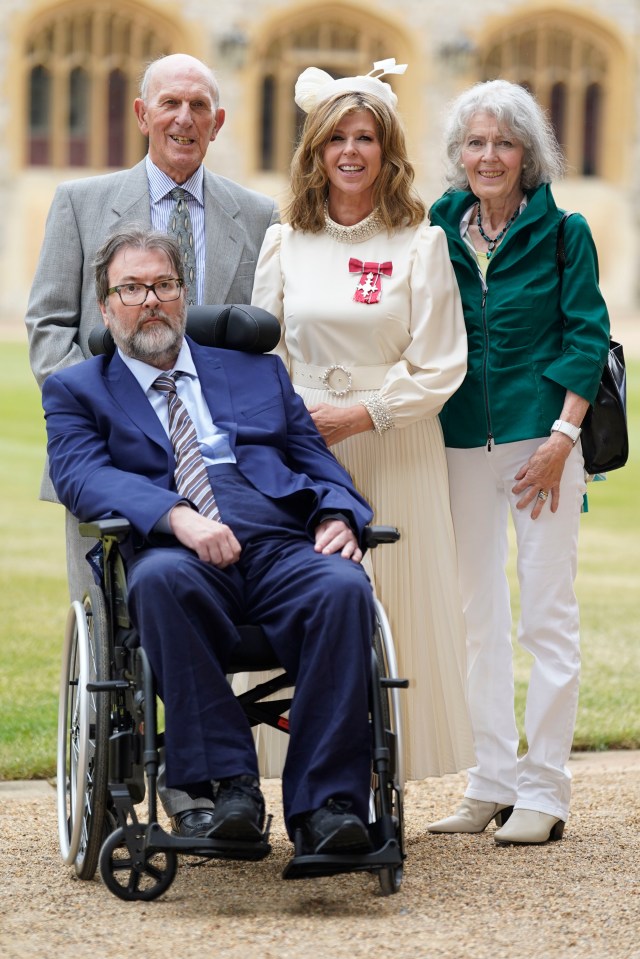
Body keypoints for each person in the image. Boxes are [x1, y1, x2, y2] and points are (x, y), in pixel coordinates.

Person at [42, 226, 377, 860]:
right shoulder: (78, 390)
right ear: (106, 306)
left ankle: (328, 808)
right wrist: (177, 514)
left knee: (342, 584)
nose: (151, 300)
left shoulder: (255, 373)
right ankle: (231, 790)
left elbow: (313, 459)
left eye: (164, 285)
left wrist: (339, 514)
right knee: (156, 582)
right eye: (132, 288)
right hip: (180, 551)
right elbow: (81, 476)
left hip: (280, 540)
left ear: (184, 295)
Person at [25, 52, 277, 837]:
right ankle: (116, 779)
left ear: (219, 121)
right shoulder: (80, 201)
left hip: (219, 472)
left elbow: (256, 353)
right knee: (113, 630)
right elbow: (49, 329)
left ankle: (203, 780)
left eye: (200, 105)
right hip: (110, 467)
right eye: (169, 102)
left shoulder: (257, 215)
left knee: (203, 610)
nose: (184, 118)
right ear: (142, 114)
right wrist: (111, 418)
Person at [250, 60, 476, 781]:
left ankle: (382, 774)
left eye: (366, 137)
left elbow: (442, 364)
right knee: (306, 600)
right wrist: (295, 424)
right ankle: (308, 775)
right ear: (315, 151)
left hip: (395, 444)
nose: (350, 151)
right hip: (304, 449)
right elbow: (264, 354)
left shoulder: (421, 242)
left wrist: (362, 413)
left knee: (395, 604)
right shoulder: (286, 237)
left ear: (388, 151)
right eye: (335, 138)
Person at [427, 79, 610, 844]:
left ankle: (546, 788)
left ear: (528, 154)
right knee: (476, 619)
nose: (489, 155)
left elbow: (586, 336)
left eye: (504, 142)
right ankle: (491, 780)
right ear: (458, 154)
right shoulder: (437, 225)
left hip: (546, 442)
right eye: (476, 142)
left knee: (546, 616)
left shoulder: (564, 231)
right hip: (464, 437)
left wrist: (561, 440)